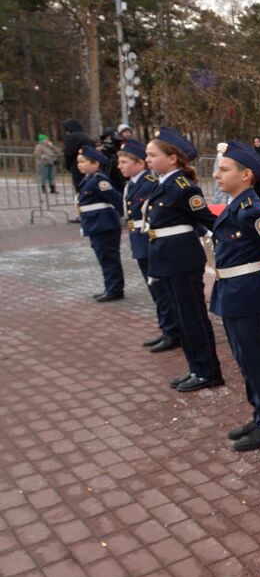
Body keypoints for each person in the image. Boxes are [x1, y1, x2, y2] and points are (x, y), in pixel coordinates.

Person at [210, 141, 260, 451]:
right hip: (233, 293)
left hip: (248, 295)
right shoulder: (235, 206)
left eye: (224, 169)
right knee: (245, 360)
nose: (217, 174)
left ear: (245, 175)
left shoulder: (252, 211)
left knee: (256, 361)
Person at [144, 127, 224, 392]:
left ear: (172, 158)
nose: (148, 160)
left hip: (181, 260)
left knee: (192, 317)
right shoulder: (163, 184)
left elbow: (207, 221)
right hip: (166, 258)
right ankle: (196, 368)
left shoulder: (183, 188)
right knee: (181, 315)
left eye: (153, 155)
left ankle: (208, 371)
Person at [116, 138, 181, 352]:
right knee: (155, 290)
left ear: (139, 164)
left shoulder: (150, 184)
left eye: (125, 161)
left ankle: (172, 331)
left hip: (150, 240)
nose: (120, 166)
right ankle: (167, 329)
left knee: (161, 290)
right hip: (140, 241)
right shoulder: (135, 184)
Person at [74, 146, 125, 302]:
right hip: (95, 224)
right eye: (78, 162)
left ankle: (115, 289)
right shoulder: (88, 179)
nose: (79, 165)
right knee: (103, 257)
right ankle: (110, 286)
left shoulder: (99, 180)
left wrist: (126, 215)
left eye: (82, 162)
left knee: (109, 258)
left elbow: (116, 199)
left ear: (95, 164)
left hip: (104, 225)